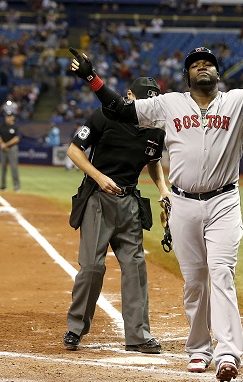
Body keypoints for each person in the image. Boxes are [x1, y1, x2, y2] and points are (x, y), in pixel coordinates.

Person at [68, 20, 243, 381]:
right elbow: (122, 111)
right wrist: (92, 78)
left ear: (217, 72)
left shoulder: (239, 100)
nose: (202, 66)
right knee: (194, 282)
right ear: (187, 75)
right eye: (194, 64)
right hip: (184, 204)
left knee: (221, 274)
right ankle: (198, 350)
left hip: (224, 201)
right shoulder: (169, 104)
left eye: (207, 63)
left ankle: (227, 353)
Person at [63, 77, 170, 354]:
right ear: (129, 95)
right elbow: (74, 150)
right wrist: (99, 178)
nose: (149, 106)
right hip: (98, 200)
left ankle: (138, 336)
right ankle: (76, 328)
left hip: (130, 203)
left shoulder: (156, 130)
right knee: (93, 267)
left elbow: (153, 162)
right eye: (144, 100)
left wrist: (163, 188)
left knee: (135, 268)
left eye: (153, 102)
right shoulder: (105, 115)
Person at [0, 111, 21, 192]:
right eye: (6, 116)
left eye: (9, 116)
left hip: (12, 148)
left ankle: (16, 186)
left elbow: (17, 139)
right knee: (3, 167)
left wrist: (6, 145)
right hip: (3, 149)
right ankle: (3, 186)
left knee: (14, 167)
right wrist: (2, 144)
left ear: (13, 117)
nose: (7, 118)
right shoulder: (2, 126)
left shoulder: (15, 127)